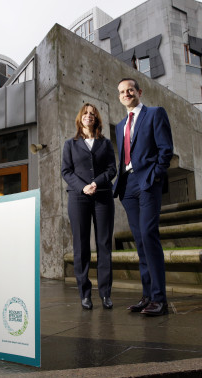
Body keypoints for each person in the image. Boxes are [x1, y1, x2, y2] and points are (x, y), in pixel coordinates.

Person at [113, 78, 174, 316]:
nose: (126, 94)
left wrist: (156, 175)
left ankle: (160, 299)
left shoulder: (155, 113)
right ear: (119, 97)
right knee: (140, 241)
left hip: (147, 181)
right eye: (121, 92)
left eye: (130, 90)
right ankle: (148, 296)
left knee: (149, 235)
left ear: (139, 92)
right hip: (127, 186)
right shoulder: (120, 126)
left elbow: (165, 149)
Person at [62, 103, 117, 310]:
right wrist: (83, 187)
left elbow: (113, 169)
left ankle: (105, 294)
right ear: (80, 118)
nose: (89, 116)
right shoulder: (70, 144)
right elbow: (66, 171)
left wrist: (97, 183)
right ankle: (85, 294)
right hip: (78, 198)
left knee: (104, 245)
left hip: (103, 197)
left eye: (92, 114)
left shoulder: (105, 143)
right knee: (81, 247)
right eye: (85, 113)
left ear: (97, 119)